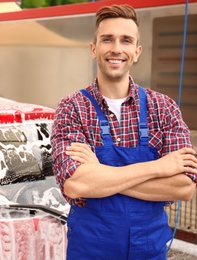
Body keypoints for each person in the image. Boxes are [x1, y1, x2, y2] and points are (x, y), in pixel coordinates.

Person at [50, 4, 197, 259]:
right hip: (90, 251)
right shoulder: (72, 108)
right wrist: (158, 168)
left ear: (137, 52)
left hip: (149, 250)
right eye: (107, 39)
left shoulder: (163, 108)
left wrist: (101, 176)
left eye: (126, 40)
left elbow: (184, 187)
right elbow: (76, 184)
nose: (116, 48)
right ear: (94, 49)